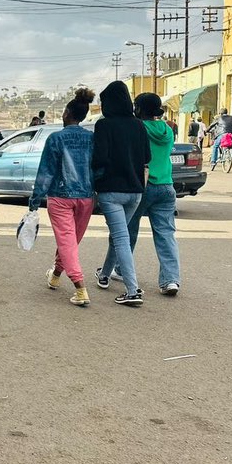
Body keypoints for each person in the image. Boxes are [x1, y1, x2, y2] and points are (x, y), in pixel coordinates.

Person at [29, 88, 96, 307]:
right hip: (86, 197)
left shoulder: (55, 138)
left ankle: (80, 289)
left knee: (67, 241)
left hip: (60, 196)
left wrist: (35, 199)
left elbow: (46, 171)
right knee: (70, 241)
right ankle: (56, 275)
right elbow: (99, 168)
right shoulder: (92, 138)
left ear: (67, 112)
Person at [92, 80, 151, 306]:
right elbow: (147, 157)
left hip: (111, 191)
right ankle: (105, 275)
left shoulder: (104, 125)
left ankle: (132, 289)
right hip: (135, 191)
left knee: (120, 238)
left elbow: (99, 158)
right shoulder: (138, 125)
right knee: (119, 236)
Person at [125, 93, 181, 296]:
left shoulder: (138, 128)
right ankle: (170, 280)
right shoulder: (167, 129)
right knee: (166, 234)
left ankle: (120, 270)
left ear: (139, 109)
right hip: (167, 187)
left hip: (144, 185)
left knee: (129, 231)